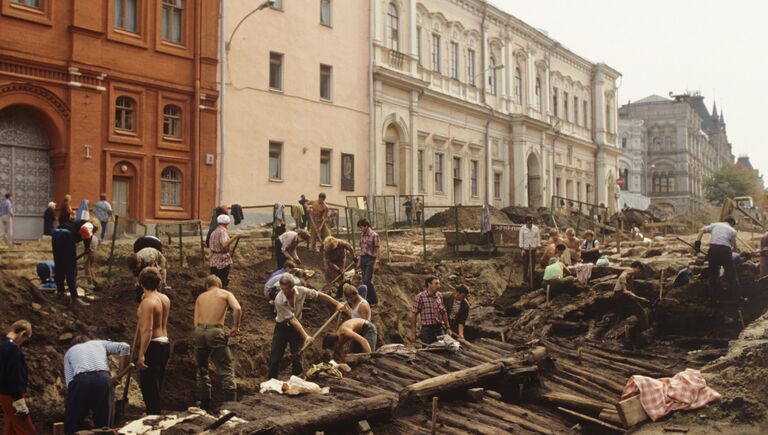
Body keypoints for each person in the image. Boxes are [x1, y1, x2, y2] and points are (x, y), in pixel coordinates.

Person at [267, 275, 344, 380]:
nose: (283, 291)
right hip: (282, 328)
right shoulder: (279, 299)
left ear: (292, 286)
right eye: (282, 288)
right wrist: (306, 336)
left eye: (286, 289)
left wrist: (337, 303)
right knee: (275, 357)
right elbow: (292, 320)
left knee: (298, 356)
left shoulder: (301, 291)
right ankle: (271, 381)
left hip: (296, 328)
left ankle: (296, 381)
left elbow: (319, 295)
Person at [63, 336, 130, 434]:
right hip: (103, 380)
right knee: (104, 426)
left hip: (81, 381)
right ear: (88, 341)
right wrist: (118, 375)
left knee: (73, 423)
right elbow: (125, 347)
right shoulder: (99, 343)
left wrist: (76, 404)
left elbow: (70, 383)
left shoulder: (69, 352)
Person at [194, 275, 242, 409]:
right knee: (225, 368)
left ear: (206, 286)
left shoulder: (200, 297)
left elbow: (195, 322)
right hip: (215, 331)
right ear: (219, 285)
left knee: (202, 369)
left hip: (199, 332)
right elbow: (237, 309)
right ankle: (231, 406)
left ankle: (204, 404)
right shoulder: (225, 293)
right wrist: (235, 327)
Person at [136, 268, 171, 416]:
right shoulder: (164, 298)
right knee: (156, 383)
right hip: (165, 342)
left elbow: (147, 330)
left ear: (140, 283)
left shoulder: (148, 303)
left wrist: (142, 353)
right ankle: (153, 413)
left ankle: (153, 415)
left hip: (153, 344)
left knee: (149, 384)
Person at [0, 320, 35, 435]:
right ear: (22, 333)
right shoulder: (13, 348)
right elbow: (13, 375)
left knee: (10, 428)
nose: (22, 342)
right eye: (25, 339)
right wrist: (18, 399)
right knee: (26, 429)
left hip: (4, 394)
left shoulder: (2, 345)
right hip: (13, 396)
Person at [52, 219, 93, 306]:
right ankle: (75, 297)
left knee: (59, 263)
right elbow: (85, 233)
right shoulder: (89, 226)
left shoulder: (76, 223)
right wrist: (87, 248)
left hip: (56, 233)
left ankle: (60, 292)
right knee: (71, 268)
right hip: (66, 235)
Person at [696, 217, 739, 295]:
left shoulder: (715, 225)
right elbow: (732, 247)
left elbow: (701, 230)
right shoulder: (733, 230)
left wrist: (697, 245)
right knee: (731, 273)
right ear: (732, 223)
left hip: (713, 249)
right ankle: (735, 296)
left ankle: (712, 296)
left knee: (713, 273)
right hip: (725, 250)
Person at [409, 276, 452, 344]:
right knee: (428, 350)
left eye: (439, 284)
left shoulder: (439, 295)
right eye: (436, 283)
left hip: (439, 328)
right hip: (427, 329)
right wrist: (413, 332)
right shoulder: (420, 297)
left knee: (442, 348)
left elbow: (443, 312)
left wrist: (448, 328)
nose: (439, 286)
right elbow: (414, 314)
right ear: (429, 284)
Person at [209, 214, 244, 288]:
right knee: (222, 281)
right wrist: (235, 236)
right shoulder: (222, 231)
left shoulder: (214, 232)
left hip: (214, 259)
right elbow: (224, 244)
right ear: (227, 223)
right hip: (222, 260)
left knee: (214, 282)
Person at [357, 218, 380, 305]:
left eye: (361, 227)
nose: (360, 229)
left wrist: (377, 262)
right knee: (363, 279)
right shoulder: (362, 235)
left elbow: (378, 249)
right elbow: (361, 249)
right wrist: (359, 261)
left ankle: (374, 300)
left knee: (367, 280)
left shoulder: (374, 235)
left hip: (371, 259)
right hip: (363, 258)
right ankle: (368, 299)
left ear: (366, 226)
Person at [518, 215, 540, 287]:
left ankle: (532, 279)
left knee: (533, 265)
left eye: (531, 222)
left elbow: (538, 238)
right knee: (525, 265)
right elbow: (521, 239)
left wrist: (537, 248)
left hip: (533, 249)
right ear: (526, 222)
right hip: (526, 249)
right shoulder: (523, 229)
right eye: (528, 223)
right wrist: (522, 249)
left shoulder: (536, 228)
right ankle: (525, 280)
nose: (530, 224)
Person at [84, 221, 100, 287]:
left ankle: (89, 282)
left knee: (87, 267)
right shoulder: (96, 238)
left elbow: (87, 246)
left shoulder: (89, 237)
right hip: (93, 253)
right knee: (91, 267)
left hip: (88, 253)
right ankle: (94, 279)